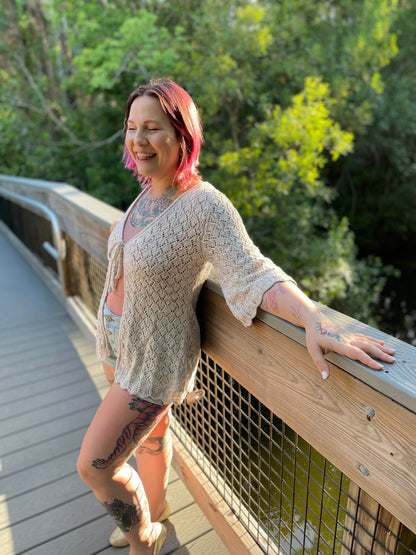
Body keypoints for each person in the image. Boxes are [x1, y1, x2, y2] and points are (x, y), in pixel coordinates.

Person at [77, 78, 396, 555]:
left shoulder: (205, 206)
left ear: (182, 134)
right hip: (117, 341)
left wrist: (314, 320)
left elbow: (254, 272)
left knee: (96, 466)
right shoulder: (146, 191)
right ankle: (157, 506)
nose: (139, 140)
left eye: (153, 128)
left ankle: (144, 537)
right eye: (132, 127)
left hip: (153, 357)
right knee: (150, 435)